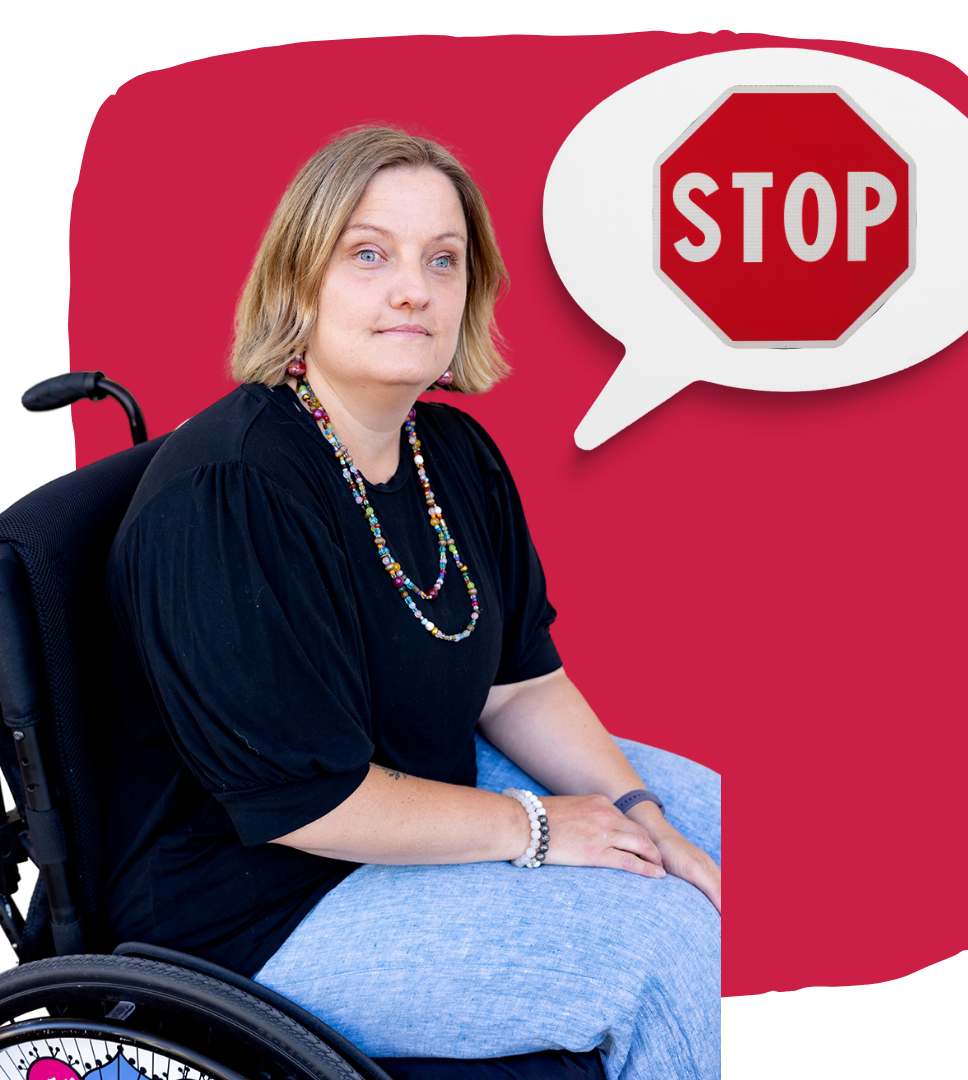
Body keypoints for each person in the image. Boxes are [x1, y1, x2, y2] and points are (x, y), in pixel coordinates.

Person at [105, 126, 722, 1078]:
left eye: (444, 260)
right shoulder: (235, 490)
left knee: (715, 825)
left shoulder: (454, 457)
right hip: (259, 904)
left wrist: (637, 808)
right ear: (297, 280)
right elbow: (307, 803)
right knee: (659, 941)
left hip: (409, 803)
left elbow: (518, 685)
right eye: (369, 254)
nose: (413, 289)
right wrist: (543, 827)